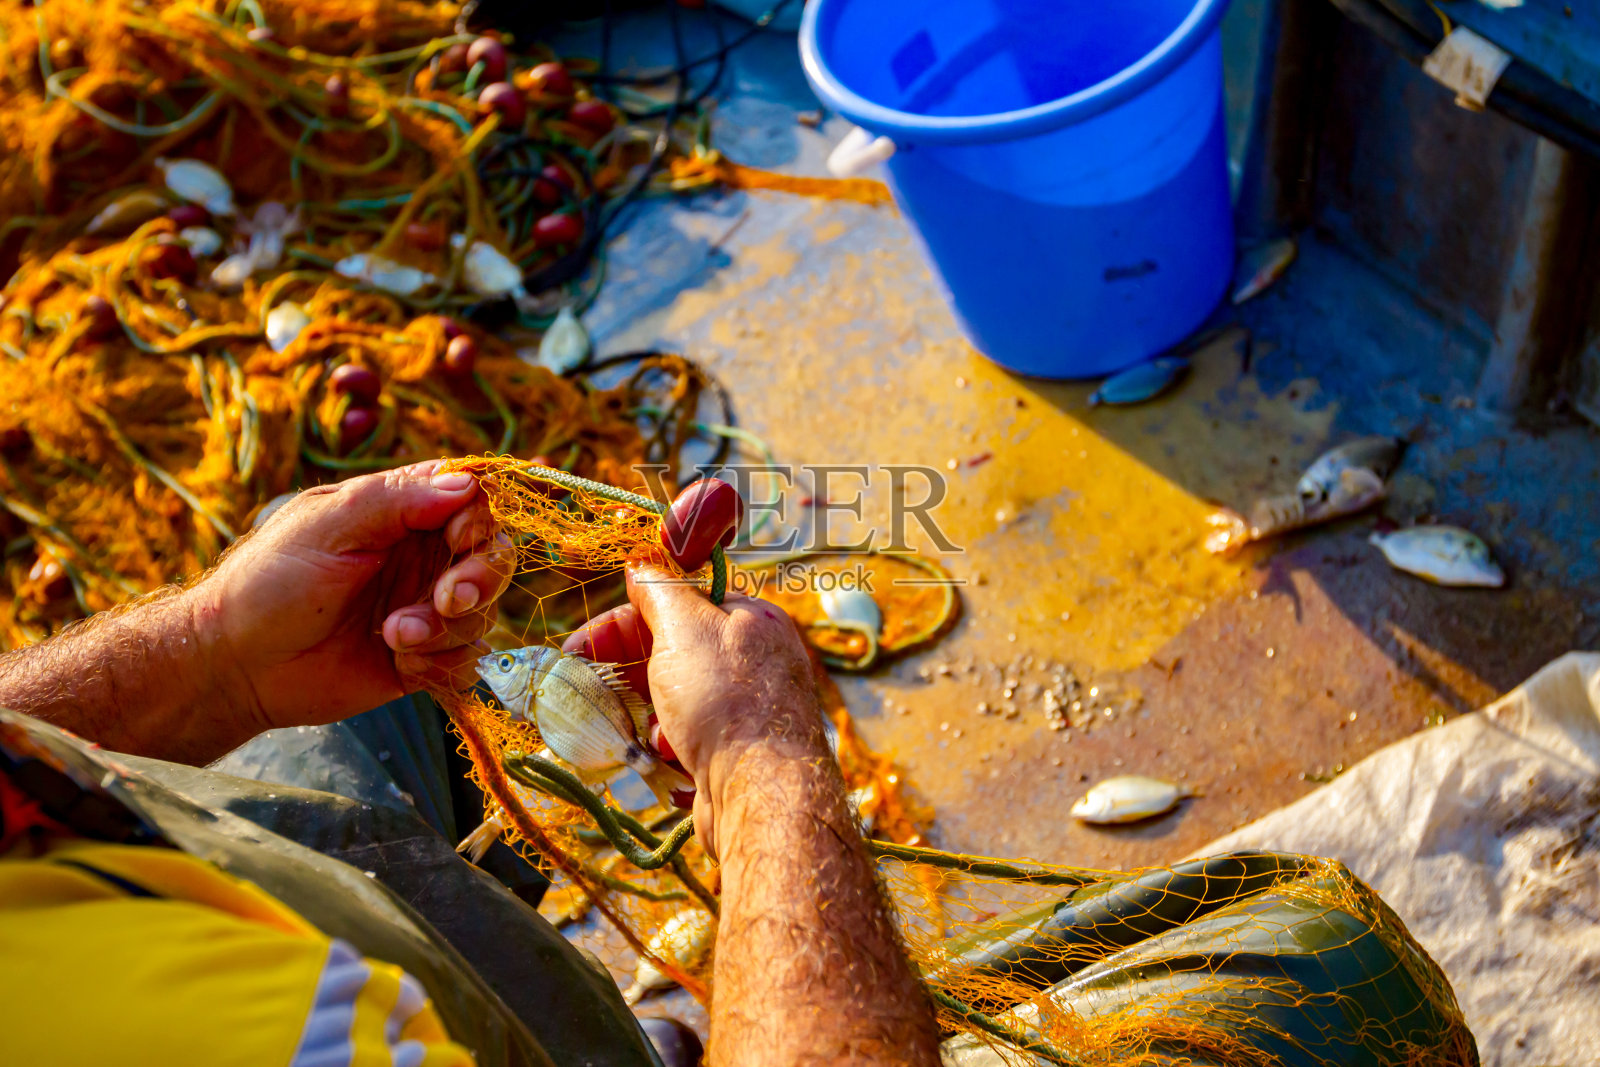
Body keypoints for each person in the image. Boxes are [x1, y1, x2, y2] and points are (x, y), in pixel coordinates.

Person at [0, 461, 942, 1067]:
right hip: (267, 996)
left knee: (326, 561)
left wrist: (216, 650)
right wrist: (757, 759)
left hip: (129, 857)